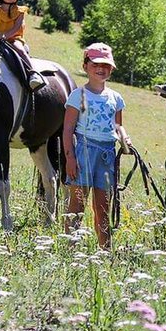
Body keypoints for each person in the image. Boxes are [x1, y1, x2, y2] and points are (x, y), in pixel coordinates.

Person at [63, 43, 132, 249]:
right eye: (96, 64)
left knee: (103, 208)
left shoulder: (115, 98)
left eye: (106, 65)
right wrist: (70, 158)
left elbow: (117, 125)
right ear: (85, 66)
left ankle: (105, 251)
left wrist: (124, 138)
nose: (101, 69)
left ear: (111, 69)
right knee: (77, 205)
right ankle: (70, 249)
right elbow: (68, 129)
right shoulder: (78, 95)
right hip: (83, 153)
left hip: (106, 154)